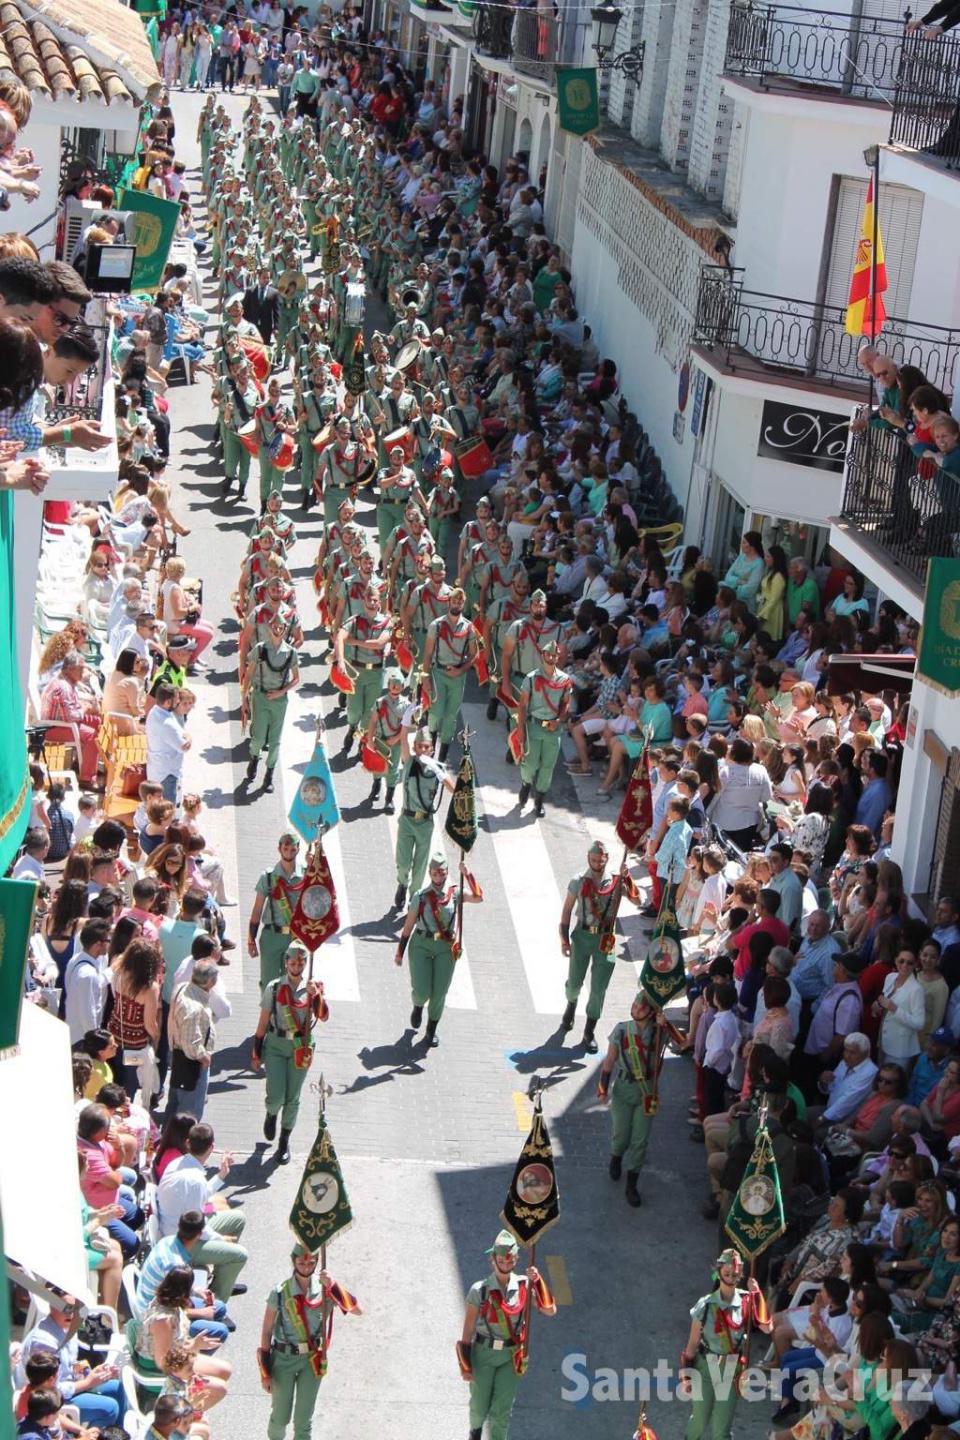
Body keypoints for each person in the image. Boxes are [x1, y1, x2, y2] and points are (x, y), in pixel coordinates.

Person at [458, 1230, 556, 1440]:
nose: (504, 1263)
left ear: (516, 1259)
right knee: (478, 1406)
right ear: (492, 1259)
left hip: (511, 1356)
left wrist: (537, 1281)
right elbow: (467, 1330)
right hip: (483, 1353)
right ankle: (474, 1433)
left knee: (502, 1411)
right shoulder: (480, 1290)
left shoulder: (523, 1285)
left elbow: (550, 1310)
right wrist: (465, 1365)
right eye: (500, 1259)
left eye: (509, 1259)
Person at [679, 1247, 772, 1440]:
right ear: (718, 1272)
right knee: (699, 1421)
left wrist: (757, 1294)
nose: (730, 1275)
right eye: (726, 1271)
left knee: (721, 1430)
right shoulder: (705, 1305)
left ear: (740, 1273)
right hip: (705, 1367)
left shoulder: (747, 1300)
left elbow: (767, 1328)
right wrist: (685, 1375)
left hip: (731, 1370)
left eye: (734, 1272)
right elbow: (692, 1344)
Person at [597, 989, 676, 1207]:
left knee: (640, 1139)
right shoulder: (622, 1030)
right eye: (635, 1004)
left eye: (642, 1006)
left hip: (647, 1091)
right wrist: (603, 1087)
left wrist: (664, 1025)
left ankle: (632, 1183)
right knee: (621, 1134)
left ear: (651, 1011)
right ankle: (616, 1156)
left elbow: (683, 1043)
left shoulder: (659, 1031)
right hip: (623, 1087)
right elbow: (609, 1061)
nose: (637, 1009)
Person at [251, 943, 329, 1164]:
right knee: (276, 1095)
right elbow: (263, 1021)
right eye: (292, 962)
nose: (296, 966)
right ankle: (271, 1113)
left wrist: (316, 996)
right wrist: (256, 1051)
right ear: (285, 962)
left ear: (305, 963)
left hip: (300, 1047)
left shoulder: (313, 987)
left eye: (301, 962)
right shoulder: (274, 988)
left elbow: (322, 1016)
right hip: (276, 1044)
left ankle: (284, 1141)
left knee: (292, 1097)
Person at [395, 854, 483, 1048]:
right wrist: (400, 952)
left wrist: (467, 874)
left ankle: (431, 1030)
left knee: (440, 992)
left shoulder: (455, 893)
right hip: (421, 944)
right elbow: (408, 927)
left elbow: (478, 897)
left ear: (446, 873)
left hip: (445, 947)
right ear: (429, 873)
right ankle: (418, 1006)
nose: (438, 876)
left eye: (441, 872)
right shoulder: (420, 896)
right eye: (434, 872)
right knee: (421, 990)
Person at [559, 841, 638, 1052]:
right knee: (574, 983)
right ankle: (571, 1004)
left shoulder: (615, 881)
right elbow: (567, 910)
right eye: (593, 860)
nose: (596, 863)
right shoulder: (578, 881)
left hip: (605, 939)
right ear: (588, 859)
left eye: (600, 860)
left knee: (598, 989)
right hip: (583, 936)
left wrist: (627, 877)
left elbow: (638, 900)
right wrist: (564, 939)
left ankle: (589, 1031)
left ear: (606, 859)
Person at [393, 725, 455, 912]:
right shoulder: (410, 761)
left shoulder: (436, 769)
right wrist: (405, 724)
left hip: (425, 823)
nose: (423, 750)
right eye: (419, 746)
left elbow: (454, 790)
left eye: (426, 747)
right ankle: (402, 883)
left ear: (432, 749)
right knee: (403, 862)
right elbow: (403, 742)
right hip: (407, 820)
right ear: (415, 747)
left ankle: (414, 898)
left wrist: (441, 774)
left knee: (420, 866)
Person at [241, 611, 300, 794]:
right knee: (258, 737)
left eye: (280, 628)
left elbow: (296, 678)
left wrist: (281, 692)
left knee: (275, 741)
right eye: (274, 627)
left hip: (279, 701)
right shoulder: (260, 649)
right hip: (260, 696)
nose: (277, 630)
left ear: (284, 630)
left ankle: (269, 775)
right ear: (269, 628)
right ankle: (254, 757)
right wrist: (244, 698)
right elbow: (249, 674)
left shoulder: (291, 653)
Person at [514, 638, 573, 816]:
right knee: (530, 764)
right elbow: (523, 705)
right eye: (548, 654)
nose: (551, 657)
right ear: (543, 655)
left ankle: (539, 800)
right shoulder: (532, 678)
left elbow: (566, 704)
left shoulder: (564, 679)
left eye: (555, 655)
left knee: (548, 767)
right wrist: (520, 730)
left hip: (552, 728)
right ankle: (525, 784)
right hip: (534, 725)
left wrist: (559, 720)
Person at [248, 834, 305, 989]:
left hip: (295, 937)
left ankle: (286, 1013)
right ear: (279, 849)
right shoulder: (268, 876)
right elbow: (257, 910)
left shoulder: (306, 875)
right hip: (272, 936)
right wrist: (251, 939)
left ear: (298, 849)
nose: (289, 851)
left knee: (292, 982)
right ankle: (269, 1013)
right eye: (285, 848)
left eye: (293, 848)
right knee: (269, 983)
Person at [167, 958, 220, 1118]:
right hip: (191, 1065)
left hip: (179, 1058)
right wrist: (203, 1057)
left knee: (175, 1105)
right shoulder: (194, 1008)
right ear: (210, 981)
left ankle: (167, 1138)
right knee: (189, 1114)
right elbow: (191, 1043)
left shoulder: (182, 988)